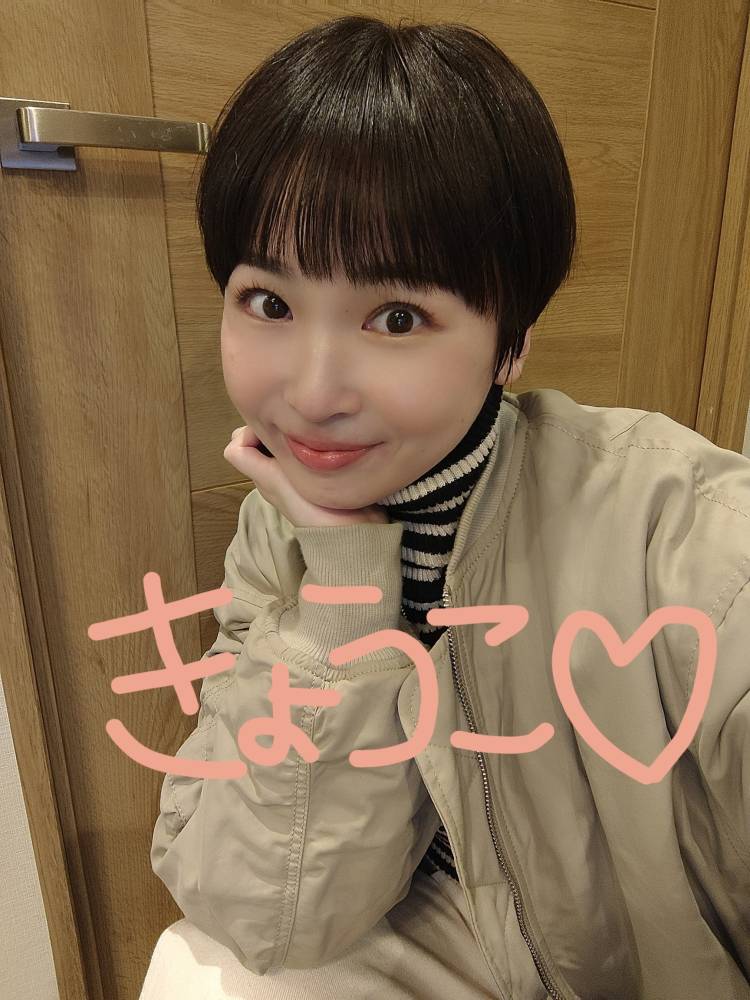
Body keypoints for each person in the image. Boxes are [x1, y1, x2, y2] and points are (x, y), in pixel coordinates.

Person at [143, 14, 750, 1000]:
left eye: (396, 317)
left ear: (511, 342)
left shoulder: (684, 536)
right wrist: (343, 592)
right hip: (429, 925)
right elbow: (265, 912)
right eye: (269, 302)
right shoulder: (281, 527)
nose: (313, 393)